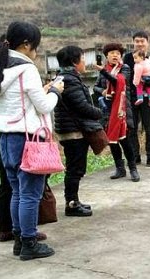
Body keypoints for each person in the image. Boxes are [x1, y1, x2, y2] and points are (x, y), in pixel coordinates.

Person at [0, 21, 63, 260]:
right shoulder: (27, 69)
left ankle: (19, 239)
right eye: (35, 46)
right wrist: (56, 91)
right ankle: (29, 243)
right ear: (26, 45)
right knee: (29, 195)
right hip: (28, 140)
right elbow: (44, 106)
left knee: (17, 191)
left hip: (6, 139)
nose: (35, 50)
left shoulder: (3, 68)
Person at [54, 46, 103, 217]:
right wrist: (99, 112)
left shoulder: (64, 77)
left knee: (76, 167)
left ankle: (74, 200)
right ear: (75, 62)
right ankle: (72, 204)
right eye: (82, 59)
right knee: (75, 168)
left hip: (70, 129)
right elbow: (81, 106)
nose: (84, 62)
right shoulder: (70, 80)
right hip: (73, 132)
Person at [93, 43, 140, 182]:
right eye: (112, 53)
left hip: (122, 111)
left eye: (118, 53)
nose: (115, 55)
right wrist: (102, 91)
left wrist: (103, 72)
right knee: (112, 141)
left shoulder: (124, 68)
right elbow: (96, 86)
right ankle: (120, 168)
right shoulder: (105, 69)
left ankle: (133, 169)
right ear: (106, 56)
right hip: (108, 111)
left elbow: (119, 82)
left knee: (125, 141)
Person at [123, 30, 150, 167]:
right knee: (131, 129)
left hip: (147, 99)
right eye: (137, 41)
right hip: (131, 99)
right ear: (133, 43)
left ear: (147, 43)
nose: (139, 44)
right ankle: (135, 156)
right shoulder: (127, 58)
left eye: (142, 41)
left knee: (149, 128)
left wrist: (143, 81)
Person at [0, 142, 47, 241]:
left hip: (6, 139)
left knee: (15, 191)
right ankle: (28, 239)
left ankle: (18, 237)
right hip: (25, 137)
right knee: (29, 194)